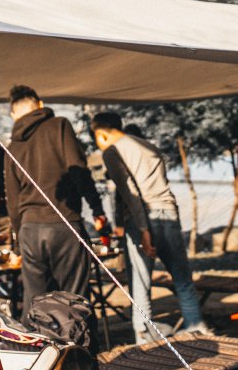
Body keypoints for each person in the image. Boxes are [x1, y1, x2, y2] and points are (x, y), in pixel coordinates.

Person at [91, 111, 212, 343]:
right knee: (182, 276)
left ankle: (144, 334)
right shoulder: (147, 146)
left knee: (140, 279)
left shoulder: (112, 152)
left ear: (101, 133)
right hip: (168, 212)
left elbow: (131, 194)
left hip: (142, 218)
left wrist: (143, 229)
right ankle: (196, 326)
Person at [4, 84, 107, 316]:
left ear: (13, 115)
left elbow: (12, 199)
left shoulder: (12, 146)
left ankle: (41, 349)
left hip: (30, 230)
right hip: (63, 224)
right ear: (40, 104)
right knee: (73, 299)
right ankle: (78, 351)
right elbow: (78, 169)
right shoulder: (59, 125)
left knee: (36, 302)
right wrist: (97, 208)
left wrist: (19, 240)